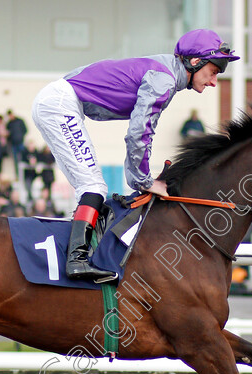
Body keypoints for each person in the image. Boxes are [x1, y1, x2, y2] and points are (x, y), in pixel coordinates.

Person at [32, 28, 238, 281]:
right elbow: (139, 133)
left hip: (58, 100)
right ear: (195, 61)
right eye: (214, 72)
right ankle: (76, 260)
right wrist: (144, 181)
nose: (214, 82)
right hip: (60, 105)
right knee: (93, 186)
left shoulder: (162, 70)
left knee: (89, 187)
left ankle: (84, 250)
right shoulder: (164, 80)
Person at [6, 110, 27, 177]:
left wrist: (20, 136)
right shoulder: (9, 124)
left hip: (20, 143)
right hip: (13, 144)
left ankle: (24, 174)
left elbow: (25, 130)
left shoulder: (20, 121)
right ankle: (18, 175)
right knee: (16, 161)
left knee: (23, 158)